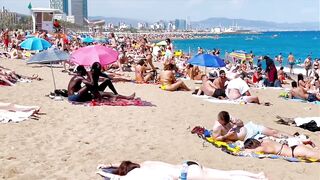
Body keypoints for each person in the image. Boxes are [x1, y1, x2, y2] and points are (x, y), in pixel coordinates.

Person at [97, 160, 267, 180]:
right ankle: (257, 176)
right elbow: (121, 163)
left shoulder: (137, 174)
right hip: (188, 164)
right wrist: (108, 164)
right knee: (226, 173)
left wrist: (103, 172)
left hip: (187, 175)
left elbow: (116, 179)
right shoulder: (145, 163)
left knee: (227, 179)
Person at [211, 111, 291, 142]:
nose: (227, 124)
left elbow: (242, 123)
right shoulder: (217, 127)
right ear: (220, 120)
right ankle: (294, 140)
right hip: (248, 136)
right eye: (225, 123)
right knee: (276, 139)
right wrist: (226, 136)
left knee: (274, 132)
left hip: (250, 127)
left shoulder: (229, 118)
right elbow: (215, 138)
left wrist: (237, 122)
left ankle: (294, 136)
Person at [244, 138, 320, 160]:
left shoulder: (261, 148)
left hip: (295, 152)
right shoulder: (266, 140)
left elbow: (248, 151)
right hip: (296, 147)